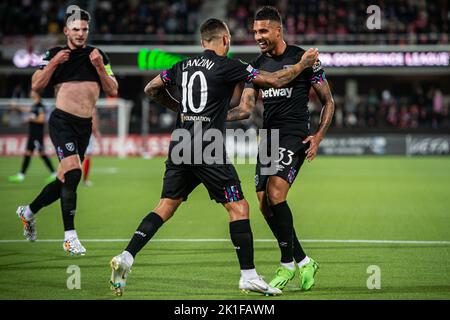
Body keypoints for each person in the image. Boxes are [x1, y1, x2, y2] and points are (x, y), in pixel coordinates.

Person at [109, 18, 318, 297]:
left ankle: (127, 256)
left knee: (165, 206)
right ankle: (249, 276)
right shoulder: (228, 66)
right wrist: (303, 64)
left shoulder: (181, 66)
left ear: (201, 42)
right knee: (239, 208)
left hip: (181, 143)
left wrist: (181, 109)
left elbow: (151, 89)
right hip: (207, 147)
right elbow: (275, 79)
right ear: (225, 40)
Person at [226, 6, 335, 291]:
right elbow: (245, 108)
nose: (258, 36)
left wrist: (319, 136)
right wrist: (211, 116)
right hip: (269, 138)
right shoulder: (255, 66)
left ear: (278, 30)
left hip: (294, 135)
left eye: (263, 31)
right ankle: (304, 260)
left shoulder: (305, 58)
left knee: (275, 193)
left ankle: (287, 263)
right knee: (264, 204)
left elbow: (329, 101)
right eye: (254, 32)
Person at [15, 8, 118, 254]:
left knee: (64, 180)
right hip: (62, 122)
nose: (81, 34)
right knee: (73, 175)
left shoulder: (97, 55)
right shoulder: (53, 54)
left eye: (84, 29)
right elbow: (36, 85)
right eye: (76, 29)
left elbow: (112, 89)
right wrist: (53, 64)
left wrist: (100, 68)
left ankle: (27, 212)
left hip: (84, 126)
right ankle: (70, 237)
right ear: (66, 31)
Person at [8, 90, 56, 183]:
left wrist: (30, 118)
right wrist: (16, 106)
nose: (30, 92)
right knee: (28, 154)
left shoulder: (40, 106)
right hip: (32, 135)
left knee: (42, 154)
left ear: (37, 94)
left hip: (37, 135)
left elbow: (42, 119)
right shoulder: (34, 105)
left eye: (33, 91)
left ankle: (54, 173)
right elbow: (26, 110)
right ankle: (21, 175)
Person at [82, 108, 101, 186]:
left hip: (76, 132)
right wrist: (96, 132)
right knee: (87, 156)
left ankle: (64, 178)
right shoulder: (91, 107)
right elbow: (93, 120)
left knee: (73, 155)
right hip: (87, 133)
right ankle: (85, 180)